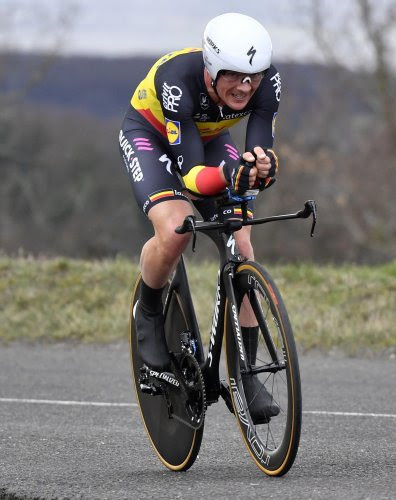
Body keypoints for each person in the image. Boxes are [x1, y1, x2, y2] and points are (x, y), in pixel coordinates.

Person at [118, 12, 281, 423]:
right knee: (175, 229)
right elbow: (191, 175)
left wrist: (262, 168)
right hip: (150, 136)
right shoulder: (177, 79)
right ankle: (149, 314)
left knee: (241, 241)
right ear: (211, 68)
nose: (245, 86)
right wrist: (231, 173)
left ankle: (245, 373)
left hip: (208, 141)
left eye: (253, 77)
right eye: (234, 76)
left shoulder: (267, 84)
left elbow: (260, 149)